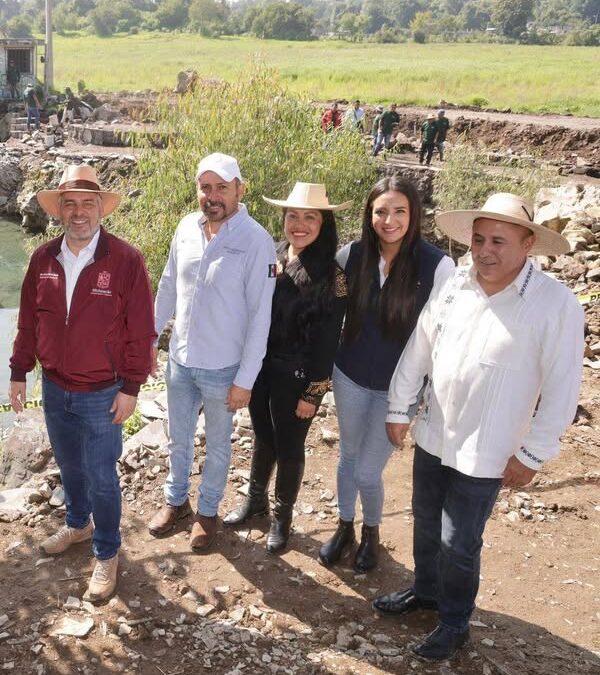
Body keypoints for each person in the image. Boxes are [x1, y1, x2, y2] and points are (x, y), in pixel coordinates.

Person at [373, 192, 584, 661]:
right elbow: (421, 345)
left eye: (498, 242)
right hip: (435, 432)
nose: (485, 251)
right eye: (479, 239)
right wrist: (399, 408)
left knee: (459, 543)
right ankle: (426, 591)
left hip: (489, 450)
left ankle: (454, 622)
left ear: (528, 244)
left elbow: (564, 387)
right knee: (426, 522)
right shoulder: (455, 283)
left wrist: (533, 453)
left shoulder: (555, 304)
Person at [9, 164, 155, 602]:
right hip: (55, 388)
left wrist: (131, 388)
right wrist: (19, 371)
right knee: (69, 466)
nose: (78, 213)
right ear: (59, 210)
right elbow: (29, 321)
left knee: (102, 477)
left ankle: (107, 552)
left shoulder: (126, 260)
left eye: (87, 204)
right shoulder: (43, 259)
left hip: (103, 392)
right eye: (69, 204)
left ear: (100, 209)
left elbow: (141, 331)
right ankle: (77, 525)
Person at [319, 177, 454, 572]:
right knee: (348, 455)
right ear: (369, 214)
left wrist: (429, 395)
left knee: (367, 470)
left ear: (413, 214)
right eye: (380, 211)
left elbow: (443, 336)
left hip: (399, 391)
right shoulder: (351, 256)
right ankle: (345, 526)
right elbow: (324, 303)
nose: (389, 220)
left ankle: (371, 532)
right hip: (349, 376)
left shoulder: (437, 266)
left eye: (399, 211)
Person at [150, 153, 276, 552]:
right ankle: (176, 502)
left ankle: (207, 513)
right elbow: (168, 285)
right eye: (205, 187)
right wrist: (150, 340)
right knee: (179, 439)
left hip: (223, 368)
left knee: (219, 445)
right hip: (180, 361)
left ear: (240, 189)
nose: (213, 195)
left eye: (222, 187)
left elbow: (260, 316)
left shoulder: (256, 240)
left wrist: (246, 379)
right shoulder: (186, 227)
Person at [222, 183, 349, 554]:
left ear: (323, 223)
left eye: (310, 217)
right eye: (293, 215)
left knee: (290, 445)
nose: (299, 224)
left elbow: (328, 342)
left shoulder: (335, 277)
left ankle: (282, 516)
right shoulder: (273, 253)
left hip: (297, 375)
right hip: (260, 368)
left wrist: (314, 393)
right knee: (263, 435)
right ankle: (255, 500)